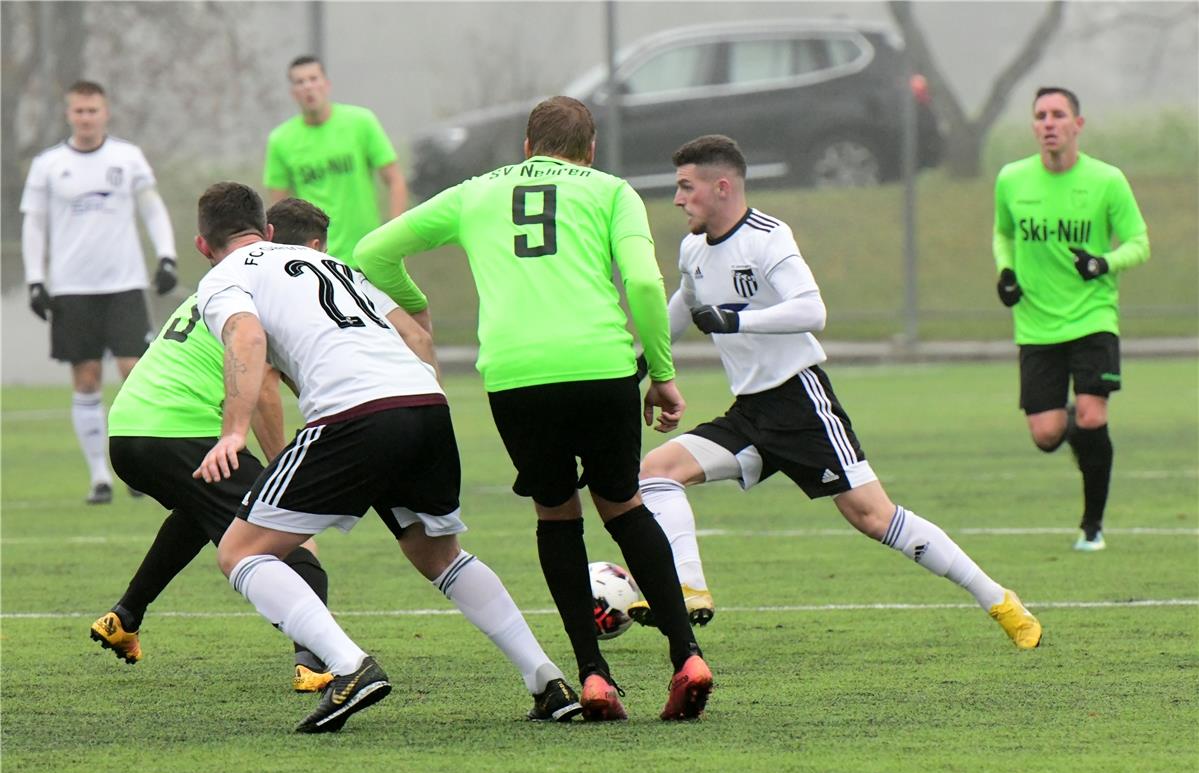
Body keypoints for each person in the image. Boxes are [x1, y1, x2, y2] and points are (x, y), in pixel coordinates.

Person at [355, 96, 713, 721]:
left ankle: (594, 677)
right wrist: (660, 372)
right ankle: (686, 655)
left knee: (557, 515)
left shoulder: (477, 192)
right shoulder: (610, 191)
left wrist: (416, 309)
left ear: (526, 147)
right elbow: (649, 284)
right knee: (624, 505)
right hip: (602, 367)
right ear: (591, 149)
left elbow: (373, 251)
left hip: (517, 376)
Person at [628, 134, 1043, 651]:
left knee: (874, 517)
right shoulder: (693, 249)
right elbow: (680, 310)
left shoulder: (768, 236)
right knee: (655, 473)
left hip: (802, 403)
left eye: (686, 187)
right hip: (749, 413)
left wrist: (738, 319)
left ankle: (999, 600)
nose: (677, 199)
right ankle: (689, 587)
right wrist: (639, 365)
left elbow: (812, 310)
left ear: (722, 187)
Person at [193, 182, 581, 733]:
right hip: (424, 404)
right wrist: (425, 408)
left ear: (203, 246)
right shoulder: (336, 267)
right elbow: (419, 340)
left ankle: (349, 667)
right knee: (439, 554)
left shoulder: (225, 277)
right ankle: (546, 679)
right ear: (270, 230)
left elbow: (247, 339)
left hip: (355, 414)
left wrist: (234, 433)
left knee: (240, 552)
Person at [89, 199, 376, 693]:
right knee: (291, 530)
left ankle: (125, 616)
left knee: (202, 508)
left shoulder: (223, 284)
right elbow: (262, 383)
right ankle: (315, 660)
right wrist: (286, 466)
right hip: (180, 428)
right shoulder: (267, 285)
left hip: (131, 430)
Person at [993, 87, 1150, 553]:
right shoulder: (1011, 179)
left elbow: (1139, 243)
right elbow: (1003, 234)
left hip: (1092, 318)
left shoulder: (1107, 181)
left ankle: (1092, 526)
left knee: (1092, 413)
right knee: (1046, 435)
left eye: (1058, 114)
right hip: (1036, 324)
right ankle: (1080, 430)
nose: (1048, 123)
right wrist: (1005, 271)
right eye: (1040, 115)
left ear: (1077, 124)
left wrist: (1103, 262)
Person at [20, 80, 178, 504]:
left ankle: (136, 469)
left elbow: (151, 206)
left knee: (135, 374)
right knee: (86, 379)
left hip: (124, 285)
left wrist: (166, 256)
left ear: (105, 112)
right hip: (73, 288)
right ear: (68, 114)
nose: (86, 118)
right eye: (79, 111)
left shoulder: (126, 158)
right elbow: (33, 223)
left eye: (93, 111)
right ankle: (99, 477)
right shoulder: (49, 164)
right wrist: (36, 278)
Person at [263, 55, 407, 264]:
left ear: (326, 84)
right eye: (300, 82)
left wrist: (394, 238)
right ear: (293, 93)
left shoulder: (361, 122)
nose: (308, 87)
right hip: (317, 261)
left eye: (313, 79)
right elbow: (278, 209)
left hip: (367, 255)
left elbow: (395, 179)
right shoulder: (280, 140)